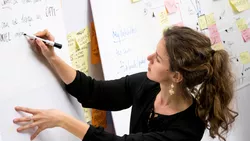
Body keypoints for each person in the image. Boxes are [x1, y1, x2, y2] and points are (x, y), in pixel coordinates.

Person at [13, 26, 238, 141]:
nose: (149, 59)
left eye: (158, 59)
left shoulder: (187, 128)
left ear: (177, 76)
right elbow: (93, 92)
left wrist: (63, 120)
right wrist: (52, 57)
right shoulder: (148, 85)